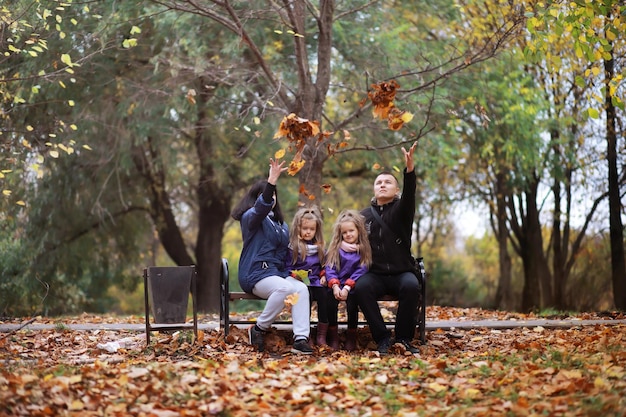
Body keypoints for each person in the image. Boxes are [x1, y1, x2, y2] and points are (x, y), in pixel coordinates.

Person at [230, 158, 313, 354]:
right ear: (255, 198)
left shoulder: (281, 225)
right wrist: (272, 181)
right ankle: (258, 329)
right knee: (284, 288)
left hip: (276, 273)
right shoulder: (250, 217)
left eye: (273, 194)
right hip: (255, 274)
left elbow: (285, 252)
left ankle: (301, 339)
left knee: (301, 289)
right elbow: (261, 207)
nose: (271, 198)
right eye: (266, 195)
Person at [353, 142, 421, 355]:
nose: (382, 185)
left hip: (402, 272)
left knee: (411, 286)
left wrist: (409, 170)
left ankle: (403, 338)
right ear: (374, 188)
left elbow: (410, 194)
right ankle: (382, 338)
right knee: (361, 288)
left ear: (396, 189)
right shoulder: (362, 216)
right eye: (378, 182)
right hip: (375, 274)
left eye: (388, 182)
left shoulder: (402, 211)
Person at [324, 209, 372, 351]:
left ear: (358, 230)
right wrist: (334, 285)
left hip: (353, 285)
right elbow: (330, 267)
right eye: (344, 232)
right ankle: (333, 335)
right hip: (336, 284)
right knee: (329, 301)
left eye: (351, 231)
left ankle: (351, 335)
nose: (348, 234)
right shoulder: (336, 249)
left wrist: (347, 287)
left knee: (352, 303)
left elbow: (362, 270)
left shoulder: (363, 249)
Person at [285, 207, 328, 347]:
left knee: (324, 295)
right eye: (305, 228)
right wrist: (294, 274)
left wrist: (323, 275)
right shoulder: (293, 247)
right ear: (298, 228)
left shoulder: (319, 247)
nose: (308, 232)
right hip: (300, 281)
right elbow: (286, 266)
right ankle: (305, 333)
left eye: (311, 229)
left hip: (316, 280)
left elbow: (325, 265)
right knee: (305, 297)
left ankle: (322, 334)